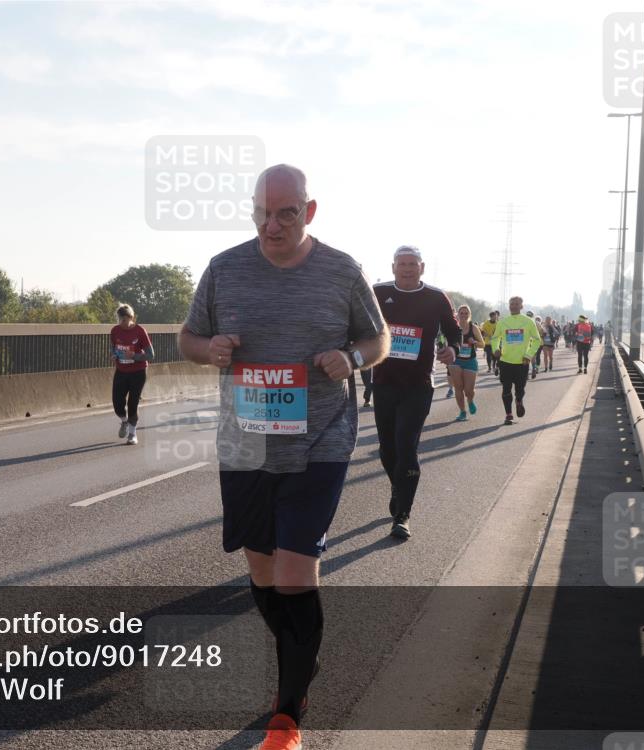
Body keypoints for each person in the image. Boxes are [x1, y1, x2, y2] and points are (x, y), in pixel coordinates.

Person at [179, 164, 389, 750]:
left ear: (310, 211)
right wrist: (209, 349)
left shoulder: (342, 270)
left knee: (296, 572)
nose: (271, 226)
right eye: (261, 213)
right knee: (263, 572)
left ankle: (287, 715)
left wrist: (352, 357)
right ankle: (302, 655)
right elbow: (188, 338)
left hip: (319, 440)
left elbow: (379, 339)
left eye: (285, 214)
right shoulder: (225, 268)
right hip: (246, 441)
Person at [372, 245, 461, 540]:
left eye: (413, 264)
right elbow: (357, 324)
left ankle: (402, 515)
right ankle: (399, 487)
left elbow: (454, 331)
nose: (407, 268)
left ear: (422, 267)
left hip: (419, 386)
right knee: (387, 450)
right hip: (383, 382)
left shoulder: (436, 297)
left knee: (406, 446)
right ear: (393, 266)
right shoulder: (377, 292)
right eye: (402, 263)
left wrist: (452, 348)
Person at [490, 296, 541, 425]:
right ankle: (508, 414)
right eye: (511, 304)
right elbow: (495, 338)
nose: (513, 306)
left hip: (522, 362)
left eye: (516, 304)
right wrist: (496, 349)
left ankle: (519, 400)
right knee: (506, 389)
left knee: (520, 389)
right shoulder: (503, 322)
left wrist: (528, 355)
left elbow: (537, 340)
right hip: (505, 361)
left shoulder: (529, 322)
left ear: (521, 306)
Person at [110, 303, 154, 445]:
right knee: (117, 403)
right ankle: (124, 421)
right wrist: (113, 355)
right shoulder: (115, 331)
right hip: (121, 371)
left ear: (131, 317)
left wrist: (133, 355)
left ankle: (132, 434)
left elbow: (150, 355)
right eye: (119, 319)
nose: (121, 323)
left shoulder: (140, 331)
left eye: (124, 320)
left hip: (138, 372)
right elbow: (113, 348)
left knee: (132, 403)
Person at [448, 304, 484, 421]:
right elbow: (446, 341)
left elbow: (482, 344)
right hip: (455, 361)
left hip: (470, 361)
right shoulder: (453, 327)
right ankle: (462, 412)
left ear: (469, 315)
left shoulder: (473, 328)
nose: (463, 315)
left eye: (466, 313)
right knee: (458, 387)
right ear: (457, 314)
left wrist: (474, 342)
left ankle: (470, 400)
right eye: (461, 313)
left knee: (469, 390)